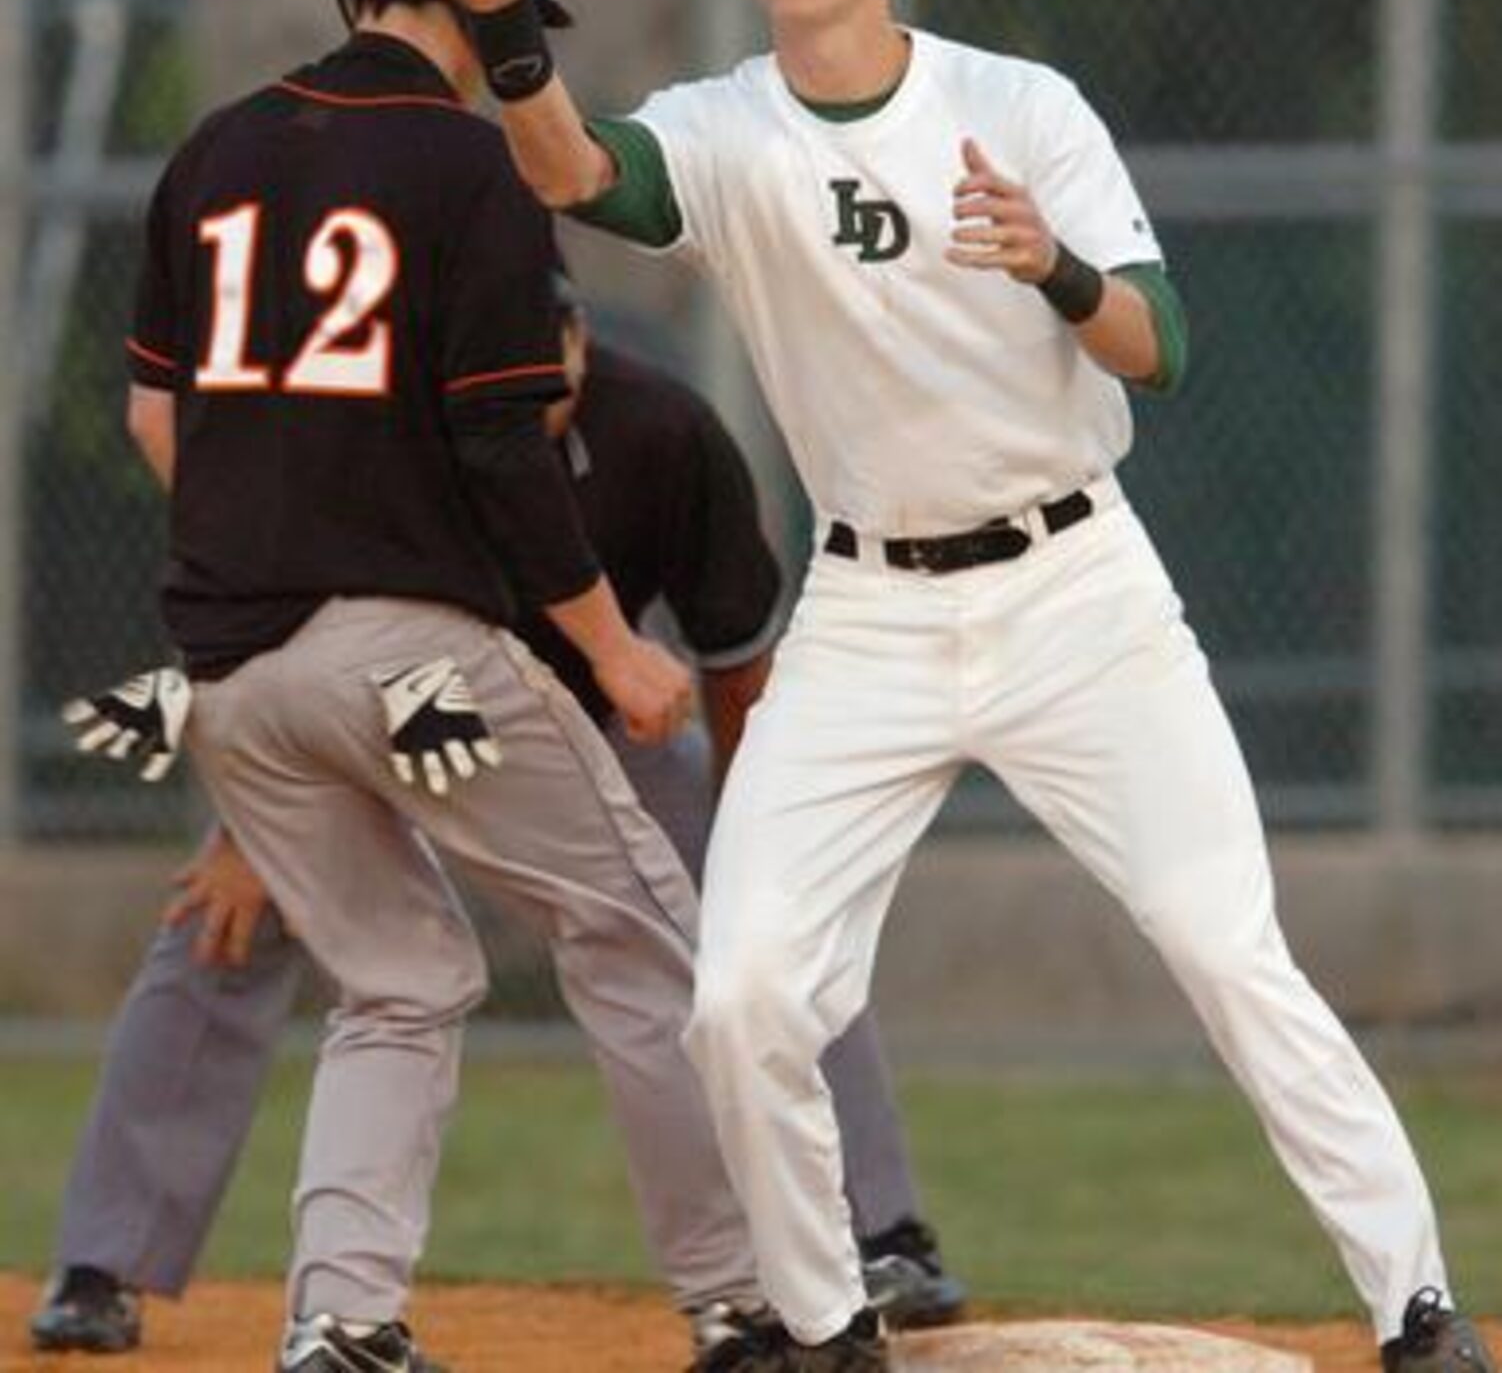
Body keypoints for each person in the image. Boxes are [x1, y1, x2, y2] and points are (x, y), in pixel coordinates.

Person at [460, 0, 1496, 1373]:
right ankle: (822, 1323)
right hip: (870, 608)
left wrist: (1056, 270)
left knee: (1222, 943)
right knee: (740, 994)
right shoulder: (731, 126)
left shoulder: (1017, 107)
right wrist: (502, 37)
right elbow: (585, 173)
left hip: (1075, 589)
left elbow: (1163, 341)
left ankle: (1414, 1304)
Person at [76, 0, 790, 1373]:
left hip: (234, 679)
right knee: (646, 932)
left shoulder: (209, 153)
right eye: (504, 13)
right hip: (405, 657)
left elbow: (159, 410)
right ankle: (741, 1302)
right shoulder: (470, 167)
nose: (504, 46)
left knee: (402, 979)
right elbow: (501, 446)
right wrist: (608, 646)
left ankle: (340, 1319)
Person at [32, 275, 964, 1359]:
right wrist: (250, 834)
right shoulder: (398, 436)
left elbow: (733, 657)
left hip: (602, 722)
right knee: (220, 922)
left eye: (543, 352)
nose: (523, 380)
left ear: (579, 340)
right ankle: (104, 1263)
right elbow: (292, 615)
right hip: (395, 714)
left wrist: (755, 835)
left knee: (770, 924)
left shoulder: (662, 433)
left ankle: (881, 1229)